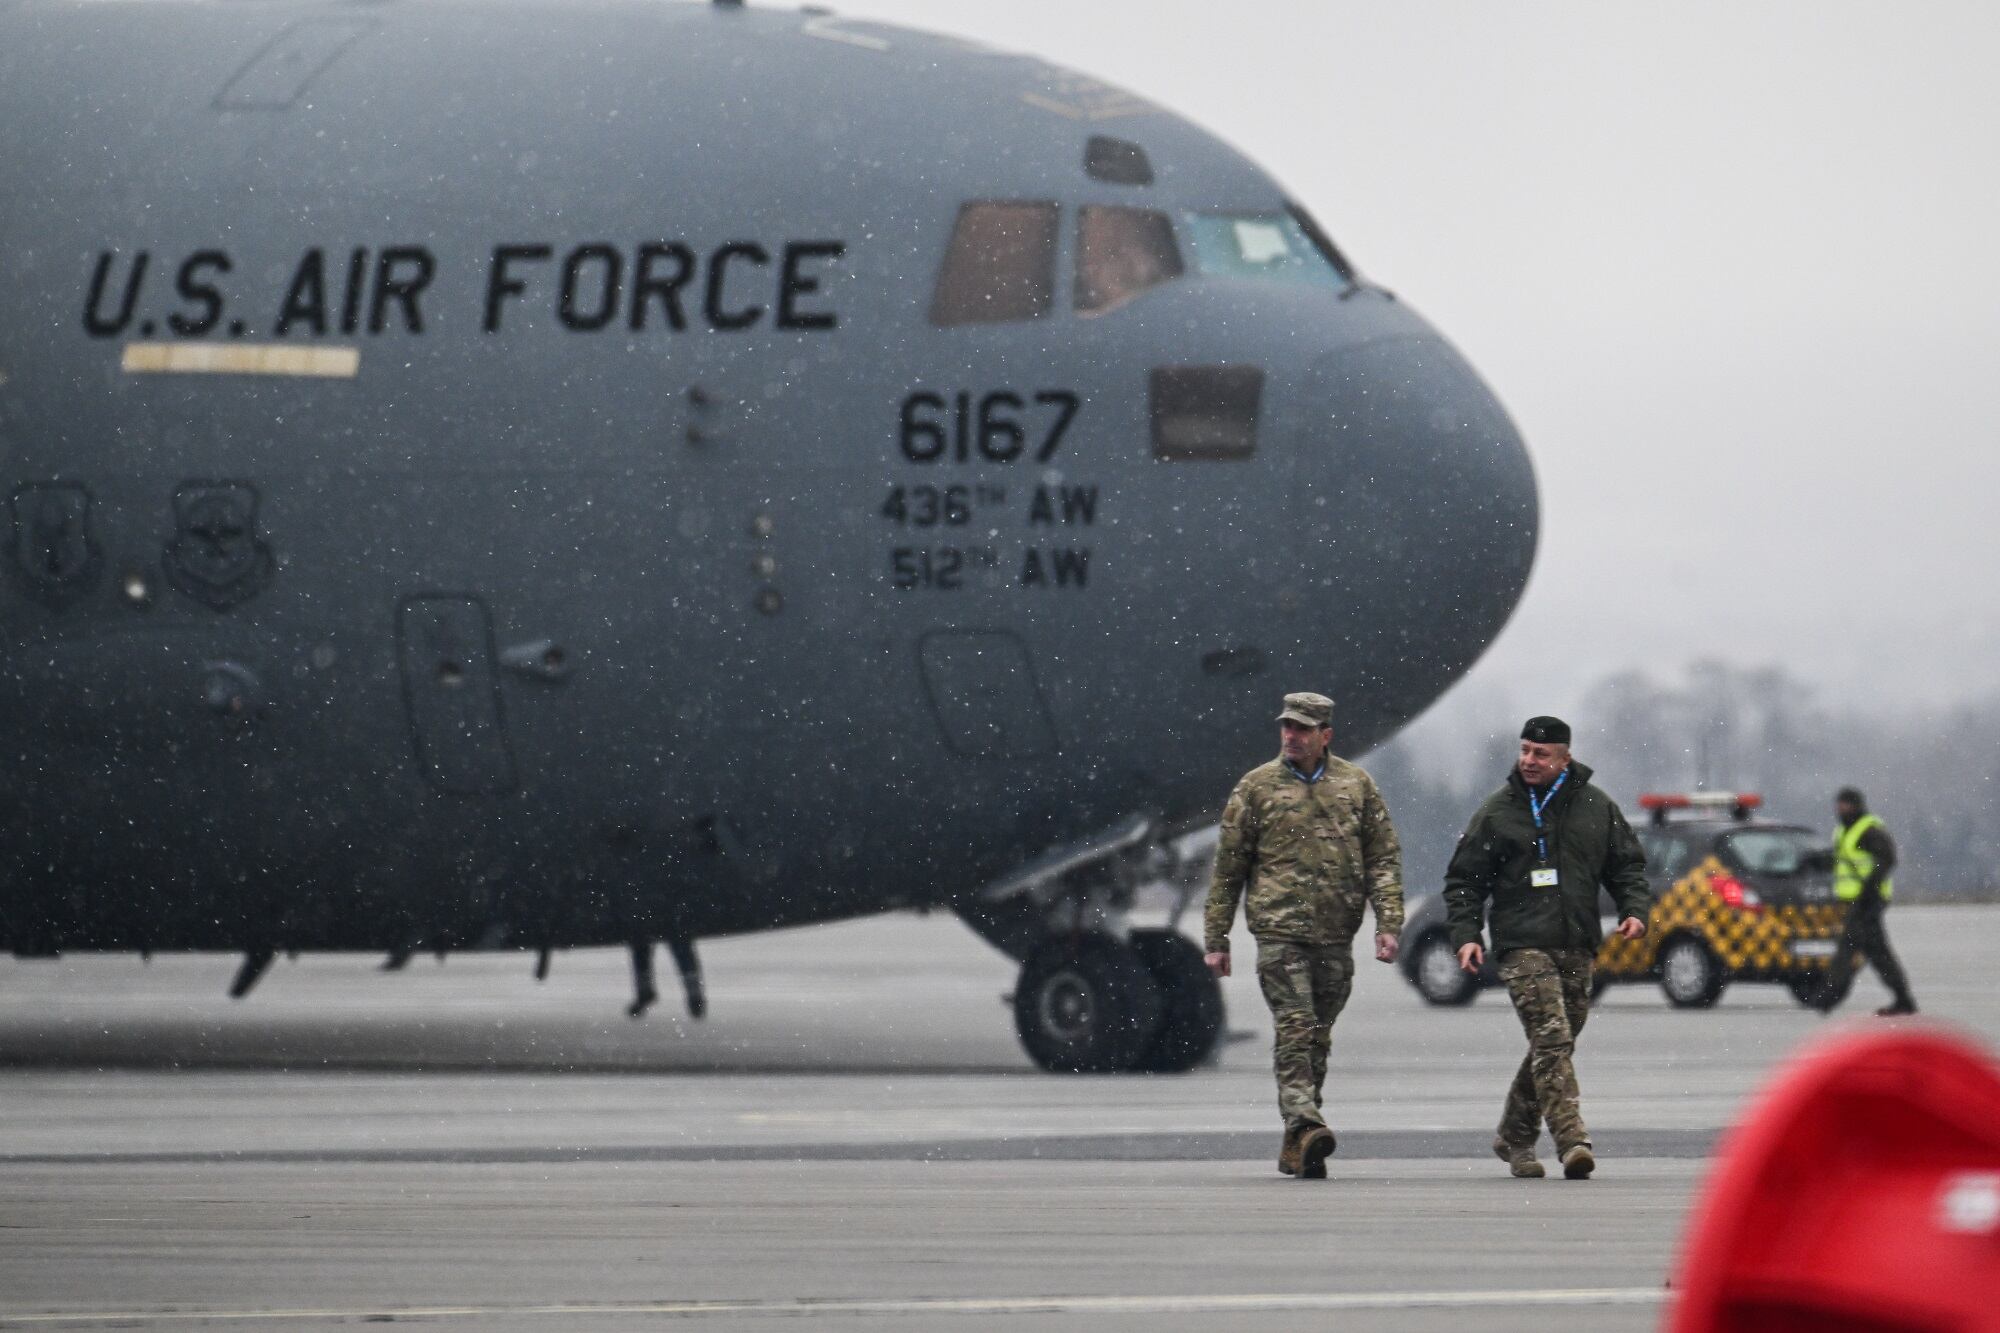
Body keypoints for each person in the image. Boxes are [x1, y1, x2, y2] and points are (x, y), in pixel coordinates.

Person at [1203, 692, 1403, 1180]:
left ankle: (1298, 1145)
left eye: (1303, 729)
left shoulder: (1356, 786)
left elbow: (1382, 858)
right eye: (1287, 727)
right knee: (1295, 1025)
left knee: (1317, 1037)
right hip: (1279, 931)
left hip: (1336, 932)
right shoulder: (1256, 787)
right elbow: (1230, 868)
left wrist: (1389, 923)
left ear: (1326, 736)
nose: (1292, 736)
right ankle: (1306, 1120)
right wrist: (1217, 937)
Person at [1443, 716, 1651, 1181]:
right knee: (1553, 1037)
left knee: (1554, 1042)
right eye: (1524, 751)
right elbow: (1464, 881)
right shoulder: (1498, 812)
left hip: (1576, 944)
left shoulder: (1597, 807)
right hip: (1522, 945)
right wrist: (1467, 934)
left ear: (1565, 758)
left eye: (1540, 754)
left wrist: (1634, 910)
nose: (1529, 761)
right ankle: (1571, 1139)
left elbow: (1628, 867)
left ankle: (1515, 1135)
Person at [1833, 786, 1917, 1016]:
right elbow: (1841, 861)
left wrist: (1870, 888)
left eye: (1847, 804)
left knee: (1854, 948)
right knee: (1874, 951)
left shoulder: (1868, 829)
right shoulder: (1844, 830)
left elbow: (1887, 858)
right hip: (1856, 900)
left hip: (1868, 901)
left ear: (1857, 805)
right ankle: (1902, 998)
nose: (1842, 809)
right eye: (1840, 804)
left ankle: (1827, 996)